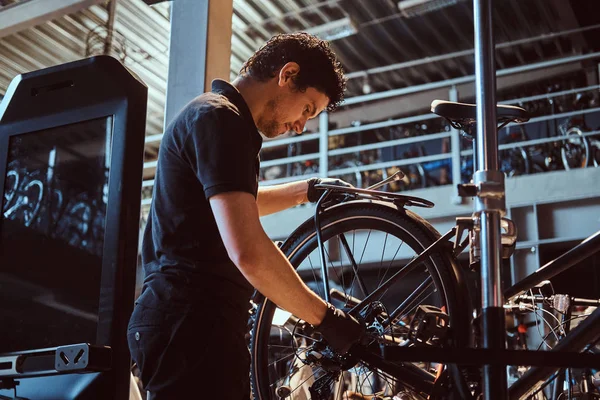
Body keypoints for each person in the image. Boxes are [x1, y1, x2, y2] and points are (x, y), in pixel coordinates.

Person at [127, 32, 364, 399]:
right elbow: (249, 251)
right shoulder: (220, 118)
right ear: (287, 75)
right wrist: (328, 319)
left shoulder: (221, 118)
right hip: (187, 323)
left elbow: (236, 203)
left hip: (192, 322)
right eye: (307, 109)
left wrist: (307, 190)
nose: (301, 125)